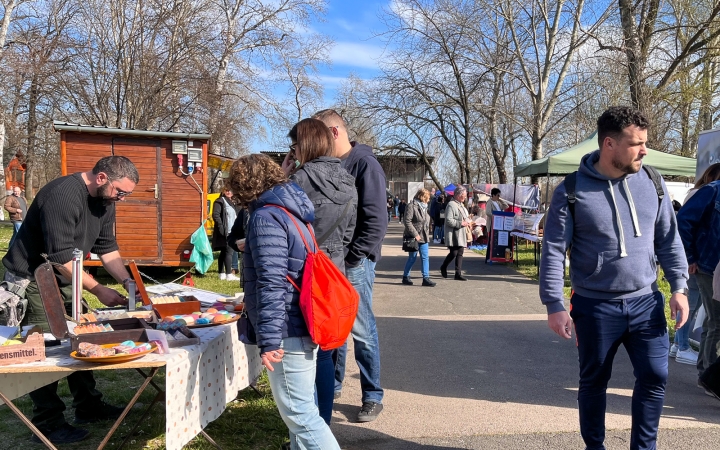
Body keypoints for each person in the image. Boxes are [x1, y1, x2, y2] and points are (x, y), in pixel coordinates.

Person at [540, 106, 689, 450]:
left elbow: (668, 239)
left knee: (656, 376)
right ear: (609, 144)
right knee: (593, 382)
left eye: (645, 143)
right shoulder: (572, 190)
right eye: (636, 143)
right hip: (594, 306)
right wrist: (554, 304)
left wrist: (678, 287)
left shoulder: (652, 181)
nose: (644, 150)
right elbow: (552, 251)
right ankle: (595, 446)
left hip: (646, 301)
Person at [2, 156, 139, 444]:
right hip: (32, 278)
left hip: (63, 277)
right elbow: (61, 255)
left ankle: (88, 406)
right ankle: (47, 423)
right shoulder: (62, 195)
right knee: (42, 348)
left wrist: (127, 281)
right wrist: (100, 290)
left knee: (81, 337)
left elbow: (108, 248)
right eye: (120, 192)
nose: (122, 199)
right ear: (101, 178)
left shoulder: (105, 202)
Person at [228, 154, 341, 450]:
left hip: (288, 328)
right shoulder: (292, 212)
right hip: (300, 322)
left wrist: (268, 339)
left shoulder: (267, 217)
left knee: (300, 415)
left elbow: (271, 281)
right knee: (300, 416)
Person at [282, 117, 358, 426]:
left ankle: (307, 432)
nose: (292, 152)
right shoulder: (348, 181)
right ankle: (322, 424)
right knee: (325, 351)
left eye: (294, 145)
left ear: (305, 145)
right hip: (332, 271)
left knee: (300, 353)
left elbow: (280, 225)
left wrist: (280, 176)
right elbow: (350, 232)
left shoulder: (297, 181)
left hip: (301, 273)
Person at [313, 108, 387, 422]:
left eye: (318, 136)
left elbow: (376, 221)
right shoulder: (329, 165)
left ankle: (372, 395)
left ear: (334, 133)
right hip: (333, 263)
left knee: (361, 329)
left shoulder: (364, 164)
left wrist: (355, 257)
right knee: (336, 329)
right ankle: (336, 383)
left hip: (354, 264)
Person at [672, 163, 720, 367]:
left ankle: (703, 367)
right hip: (707, 266)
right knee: (714, 320)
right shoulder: (711, 191)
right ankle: (707, 372)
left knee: (713, 320)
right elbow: (682, 221)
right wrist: (690, 256)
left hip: (710, 264)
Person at [402, 189, 435, 287]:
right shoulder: (411, 206)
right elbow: (407, 221)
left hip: (424, 237)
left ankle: (426, 278)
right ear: (423, 197)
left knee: (425, 257)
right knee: (412, 258)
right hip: (414, 237)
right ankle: (405, 276)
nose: (428, 200)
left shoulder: (424, 207)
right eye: (428, 198)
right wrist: (415, 234)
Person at [440, 187, 470, 281]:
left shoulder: (461, 205)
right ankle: (443, 266)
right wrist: (460, 223)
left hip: (461, 233)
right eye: (463, 196)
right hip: (453, 234)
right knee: (453, 253)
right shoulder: (451, 205)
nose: (464, 198)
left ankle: (458, 273)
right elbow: (448, 220)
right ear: (458, 195)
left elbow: (465, 217)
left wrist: (468, 222)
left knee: (460, 252)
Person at [212, 189, 240, 281]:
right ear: (223, 191)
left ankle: (221, 273)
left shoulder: (232, 202)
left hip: (231, 230)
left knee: (224, 252)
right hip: (226, 230)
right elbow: (216, 215)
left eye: (231, 190)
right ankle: (228, 274)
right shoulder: (219, 201)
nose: (229, 192)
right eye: (227, 190)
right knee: (229, 252)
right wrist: (221, 228)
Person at [485, 188, 509, 263]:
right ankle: (489, 257)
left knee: (497, 241)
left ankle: (495, 256)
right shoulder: (489, 202)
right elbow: (488, 212)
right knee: (492, 241)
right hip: (493, 223)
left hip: (499, 224)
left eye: (499, 195)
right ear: (493, 195)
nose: (499, 197)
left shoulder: (498, 202)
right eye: (498, 195)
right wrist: (496, 216)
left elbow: (506, 206)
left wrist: (501, 200)